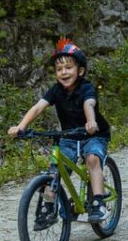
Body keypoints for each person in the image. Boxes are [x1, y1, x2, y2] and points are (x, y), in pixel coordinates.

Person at [8, 42, 111, 223]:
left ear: (80, 71)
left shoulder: (86, 88)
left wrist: (91, 121)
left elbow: (88, 104)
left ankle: (98, 202)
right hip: (69, 137)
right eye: (59, 69)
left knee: (92, 159)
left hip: (93, 134)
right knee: (55, 169)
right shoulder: (56, 90)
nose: (63, 72)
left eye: (68, 68)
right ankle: (48, 206)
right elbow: (38, 107)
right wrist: (20, 126)